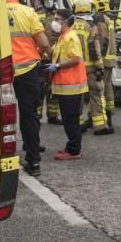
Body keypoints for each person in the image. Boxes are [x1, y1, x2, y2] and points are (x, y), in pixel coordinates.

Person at [4, 0, 51, 177]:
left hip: (1, 71)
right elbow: (44, 44)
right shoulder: (28, 12)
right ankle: (33, 161)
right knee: (29, 115)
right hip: (28, 70)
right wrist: (48, 54)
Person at [46, 8, 87, 161]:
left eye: (57, 19)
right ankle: (72, 147)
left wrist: (56, 66)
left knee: (71, 120)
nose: (54, 22)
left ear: (65, 21)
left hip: (72, 87)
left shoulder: (70, 37)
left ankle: (74, 150)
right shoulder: (62, 37)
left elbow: (75, 58)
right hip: (66, 87)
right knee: (69, 119)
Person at [73, 0, 113, 135]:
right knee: (96, 95)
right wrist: (99, 66)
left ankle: (77, 124)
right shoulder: (90, 27)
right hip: (90, 68)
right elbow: (94, 48)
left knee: (77, 98)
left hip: (75, 68)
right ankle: (100, 126)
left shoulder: (72, 27)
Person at [34, 0, 62, 125]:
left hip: (55, 57)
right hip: (40, 58)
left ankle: (52, 115)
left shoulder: (59, 15)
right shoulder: (36, 16)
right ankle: (37, 115)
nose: (48, 1)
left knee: (53, 88)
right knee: (39, 89)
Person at [92, 0, 118, 126]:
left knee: (100, 89)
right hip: (111, 58)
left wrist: (98, 58)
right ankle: (108, 114)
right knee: (107, 86)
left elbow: (102, 40)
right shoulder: (109, 18)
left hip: (104, 59)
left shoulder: (100, 19)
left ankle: (102, 117)